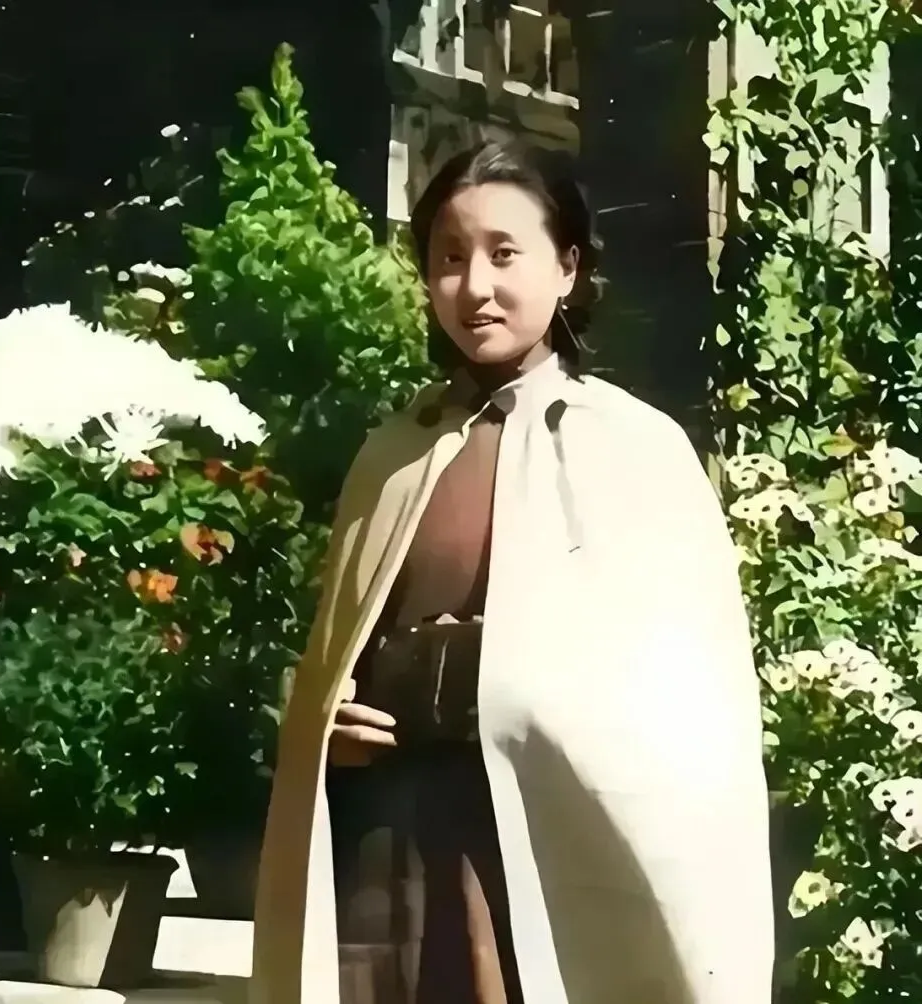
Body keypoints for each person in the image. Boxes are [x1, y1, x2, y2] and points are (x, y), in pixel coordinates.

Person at [250, 139, 774, 1004]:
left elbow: (689, 701)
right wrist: (326, 726)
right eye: (449, 258)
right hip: (394, 831)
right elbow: (340, 653)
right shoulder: (394, 452)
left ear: (567, 268)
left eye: (504, 254)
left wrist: (523, 705)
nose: (474, 287)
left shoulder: (636, 449)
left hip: (547, 838)